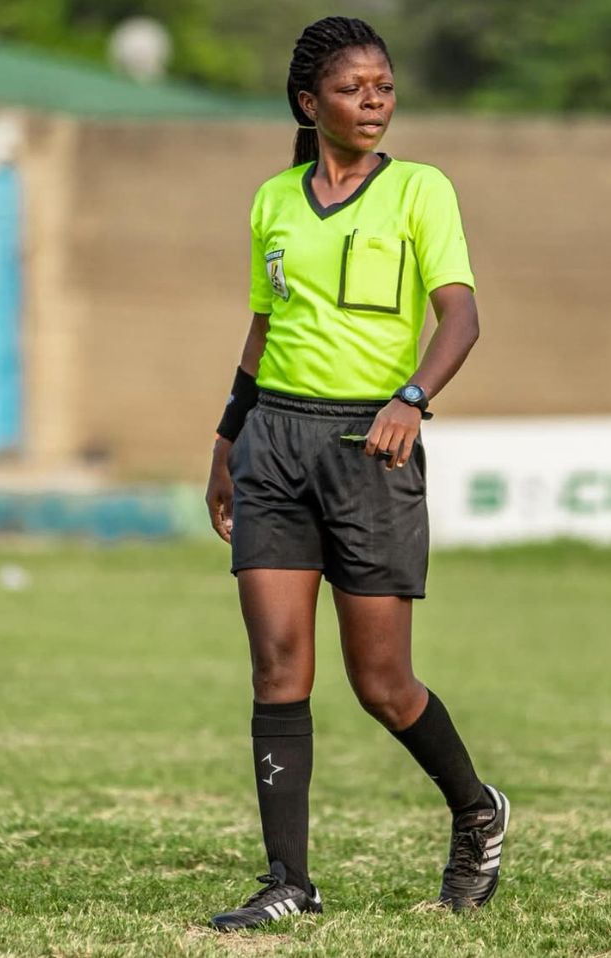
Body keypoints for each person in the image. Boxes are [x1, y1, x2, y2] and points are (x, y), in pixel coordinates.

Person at [203, 15, 508, 933]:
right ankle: (288, 881)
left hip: (370, 451)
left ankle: (476, 812)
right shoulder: (273, 200)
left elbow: (461, 317)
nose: (373, 102)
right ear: (310, 103)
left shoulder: (420, 190)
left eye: (383, 87)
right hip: (273, 444)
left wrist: (412, 397)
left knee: (382, 684)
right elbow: (262, 331)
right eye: (352, 88)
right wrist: (226, 442)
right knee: (276, 667)